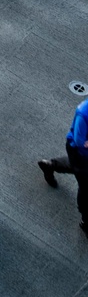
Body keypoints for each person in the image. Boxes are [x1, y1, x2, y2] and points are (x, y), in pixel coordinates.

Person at [38, 95, 88, 236]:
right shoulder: (83, 113)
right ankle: (86, 219)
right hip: (80, 152)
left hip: (83, 154)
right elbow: (80, 142)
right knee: (85, 185)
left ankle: (50, 165)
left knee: (77, 169)